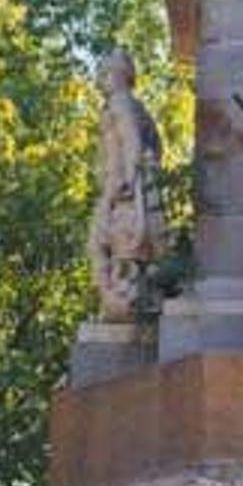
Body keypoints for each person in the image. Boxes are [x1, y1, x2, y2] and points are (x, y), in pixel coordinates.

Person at [89, 48, 166, 319]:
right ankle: (124, 295)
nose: (99, 80)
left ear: (115, 76)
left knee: (100, 244)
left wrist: (129, 184)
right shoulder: (136, 106)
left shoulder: (120, 103)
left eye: (104, 73)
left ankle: (119, 299)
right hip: (130, 187)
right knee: (113, 247)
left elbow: (131, 139)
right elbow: (157, 146)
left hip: (121, 189)